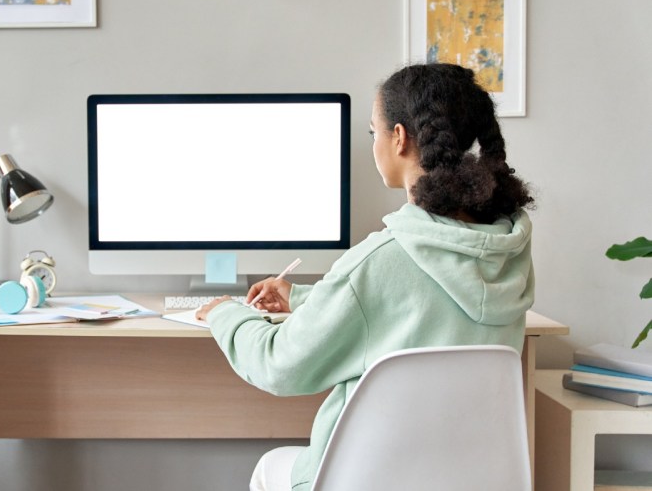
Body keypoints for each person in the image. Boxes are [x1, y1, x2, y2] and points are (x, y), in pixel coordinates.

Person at [195, 63, 536, 491]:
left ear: (399, 137)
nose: (373, 142)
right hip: (469, 480)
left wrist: (225, 315)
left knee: (272, 465)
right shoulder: (506, 251)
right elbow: (412, 304)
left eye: (373, 131)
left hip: (370, 480)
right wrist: (302, 298)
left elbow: (279, 365)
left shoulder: (381, 258)